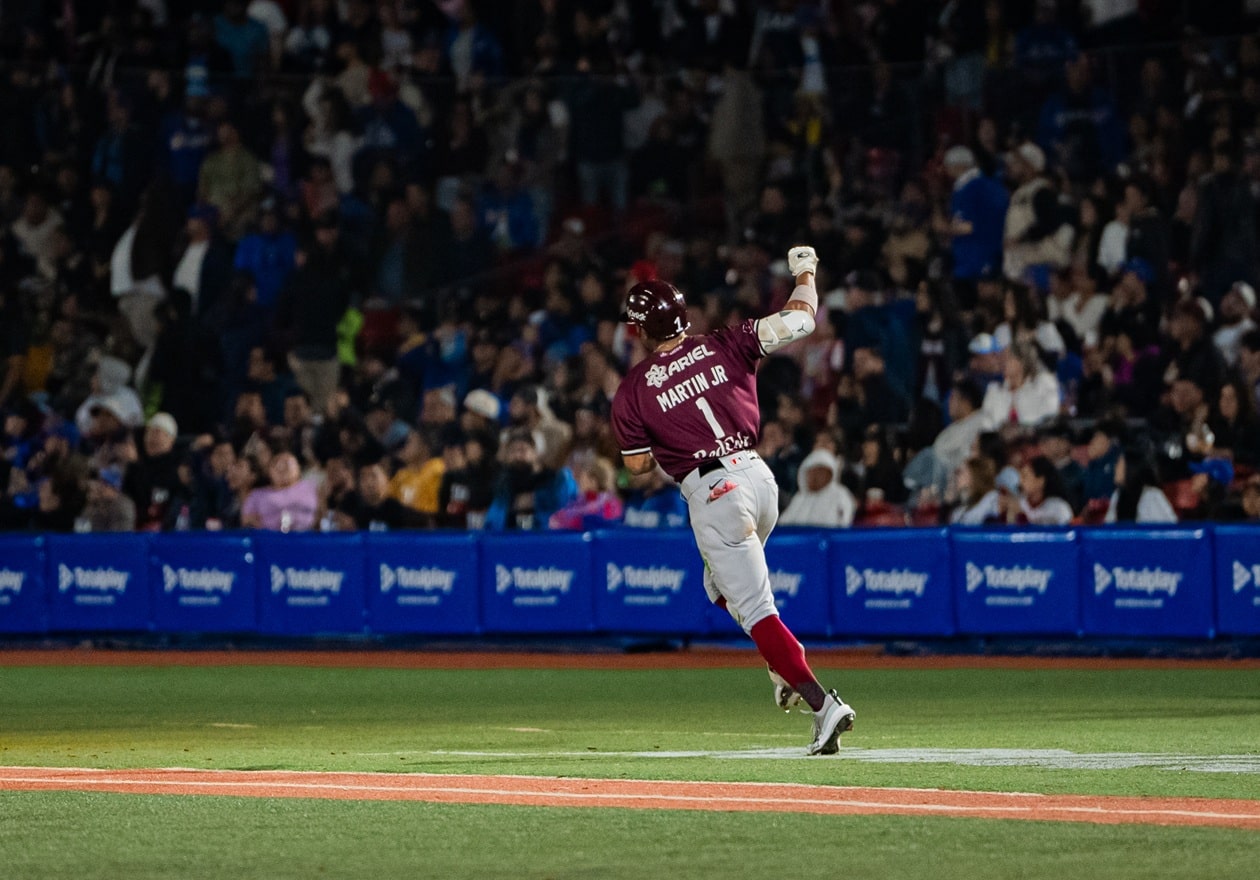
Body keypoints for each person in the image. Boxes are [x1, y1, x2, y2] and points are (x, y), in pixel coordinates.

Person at [610, 247, 855, 756]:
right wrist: (806, 270)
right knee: (716, 584)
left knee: (755, 606)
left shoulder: (634, 389)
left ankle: (822, 704)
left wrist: (672, 434)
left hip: (713, 492)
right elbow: (801, 319)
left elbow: (635, 468)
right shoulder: (728, 340)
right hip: (760, 479)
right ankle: (781, 662)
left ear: (641, 331)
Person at [779, 445, 857, 527]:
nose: (815, 476)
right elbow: (783, 524)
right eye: (811, 472)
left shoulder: (841, 495)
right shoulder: (800, 498)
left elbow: (843, 524)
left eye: (820, 472)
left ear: (830, 474)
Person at [241, 451, 318, 531]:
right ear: (269, 471)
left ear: (298, 467)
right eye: (277, 465)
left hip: (308, 537)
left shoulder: (312, 489)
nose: (282, 467)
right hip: (269, 538)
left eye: (287, 464)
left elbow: (323, 514)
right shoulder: (257, 495)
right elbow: (247, 520)